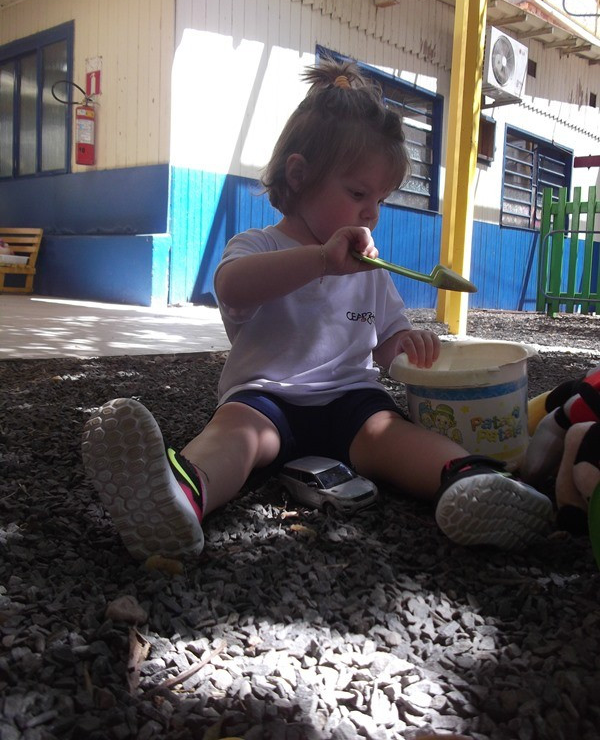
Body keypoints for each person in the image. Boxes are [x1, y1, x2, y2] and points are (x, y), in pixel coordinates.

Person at [81, 58, 553, 561]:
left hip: (352, 403)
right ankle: (181, 495)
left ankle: (469, 481)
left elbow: (386, 343)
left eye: (381, 198)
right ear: (300, 175)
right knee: (234, 437)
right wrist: (320, 261)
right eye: (358, 193)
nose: (372, 212)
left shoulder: (371, 268)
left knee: (396, 437)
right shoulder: (260, 245)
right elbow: (231, 288)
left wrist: (406, 343)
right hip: (265, 399)